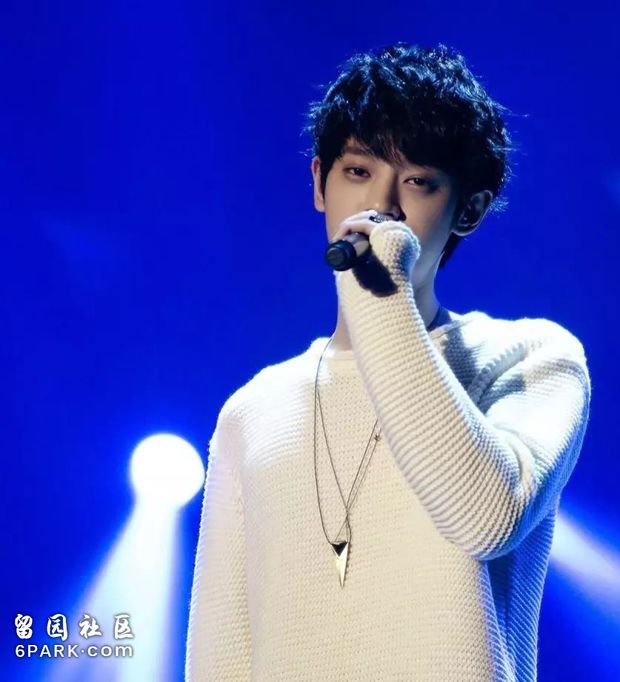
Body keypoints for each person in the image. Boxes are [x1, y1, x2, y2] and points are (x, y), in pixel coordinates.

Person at [185, 42, 592, 682]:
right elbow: (220, 658)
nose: (380, 207)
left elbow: (487, 517)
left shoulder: (529, 359)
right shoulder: (254, 409)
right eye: (357, 171)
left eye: (418, 182)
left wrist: (381, 295)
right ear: (318, 182)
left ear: (469, 209)